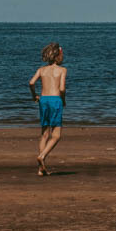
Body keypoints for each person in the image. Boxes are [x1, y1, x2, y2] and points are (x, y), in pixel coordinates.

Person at [29, 42, 67, 176]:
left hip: (43, 100)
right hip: (55, 100)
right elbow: (62, 89)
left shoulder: (41, 70)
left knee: (44, 134)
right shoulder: (62, 70)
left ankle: (41, 169)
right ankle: (42, 156)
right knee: (56, 135)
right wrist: (63, 100)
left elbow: (31, 82)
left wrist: (35, 96)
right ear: (58, 56)